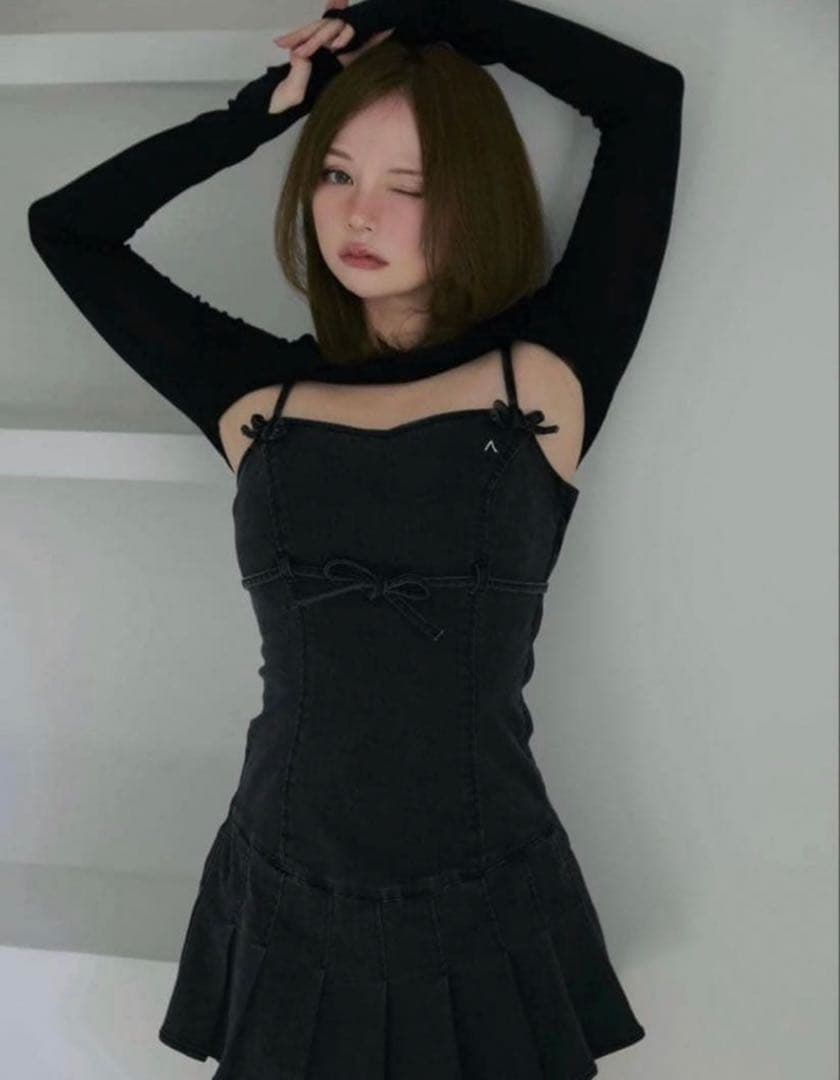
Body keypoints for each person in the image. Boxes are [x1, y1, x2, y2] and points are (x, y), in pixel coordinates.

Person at [27, 0, 684, 1075]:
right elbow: (68, 229)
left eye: (408, 185)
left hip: (485, 885)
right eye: (335, 174)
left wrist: (428, 14)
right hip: (284, 880)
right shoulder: (252, 392)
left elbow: (646, 102)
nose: (360, 214)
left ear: (473, 196)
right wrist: (260, 115)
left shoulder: (553, 365)